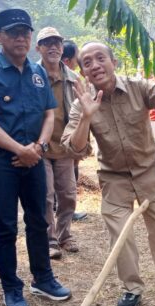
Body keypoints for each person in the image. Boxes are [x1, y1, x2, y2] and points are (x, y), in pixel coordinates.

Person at [62, 41, 155, 306]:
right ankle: (131, 289)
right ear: (83, 72)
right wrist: (86, 118)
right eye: (87, 62)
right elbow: (73, 148)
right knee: (120, 236)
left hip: (150, 172)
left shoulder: (139, 87)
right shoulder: (83, 103)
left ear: (114, 62)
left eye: (100, 58)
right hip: (114, 179)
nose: (95, 65)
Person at [0, 8, 71, 306]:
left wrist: (37, 147)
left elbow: (49, 114)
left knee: (39, 219)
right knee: (6, 226)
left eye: (26, 32)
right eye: (13, 33)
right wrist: (19, 149)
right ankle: (12, 288)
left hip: (35, 157)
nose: (21, 38)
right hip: (1, 161)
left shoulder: (38, 72)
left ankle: (43, 278)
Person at [35, 26, 81, 259]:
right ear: (38, 48)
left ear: (62, 48)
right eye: (47, 43)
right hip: (40, 146)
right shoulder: (31, 76)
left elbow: (84, 110)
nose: (53, 47)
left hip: (65, 147)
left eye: (57, 43)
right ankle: (50, 240)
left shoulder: (73, 79)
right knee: (46, 195)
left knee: (68, 195)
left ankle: (65, 236)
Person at [62, 38, 89, 222]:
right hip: (67, 135)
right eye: (75, 59)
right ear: (67, 61)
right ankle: (67, 210)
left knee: (71, 172)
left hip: (75, 133)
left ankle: (68, 209)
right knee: (68, 175)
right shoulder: (71, 79)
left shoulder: (73, 78)